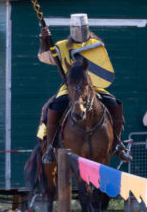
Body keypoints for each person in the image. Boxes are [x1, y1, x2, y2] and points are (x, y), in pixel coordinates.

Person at [38, 14, 131, 163]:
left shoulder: (96, 45)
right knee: (54, 108)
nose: (80, 31)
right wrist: (43, 40)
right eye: (77, 28)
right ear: (71, 28)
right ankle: (50, 148)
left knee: (115, 104)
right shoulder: (61, 46)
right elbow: (44, 56)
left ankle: (117, 144)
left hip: (94, 86)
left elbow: (103, 70)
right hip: (70, 88)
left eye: (82, 27)